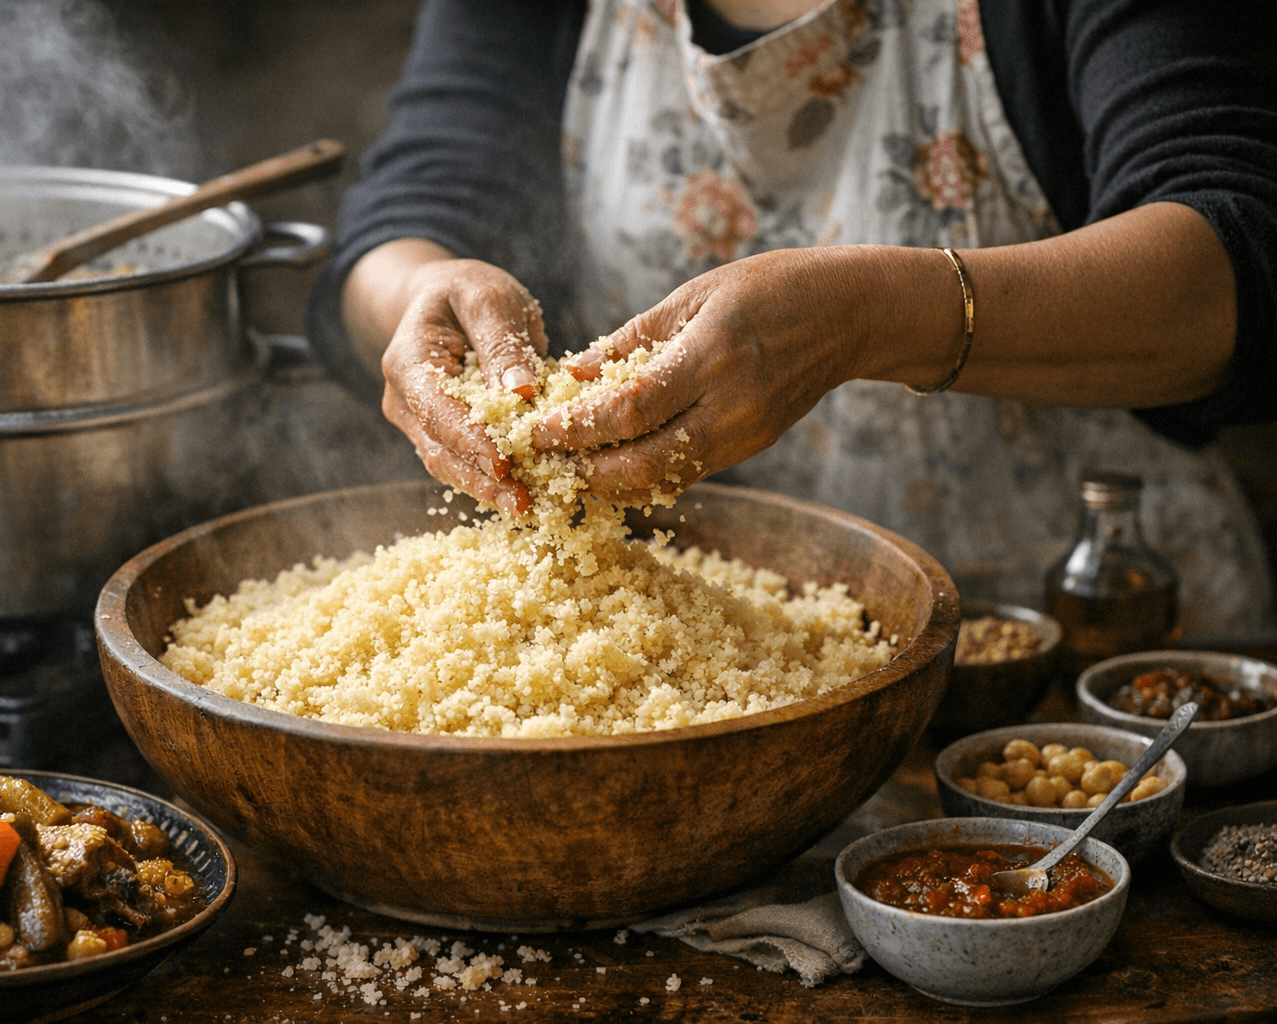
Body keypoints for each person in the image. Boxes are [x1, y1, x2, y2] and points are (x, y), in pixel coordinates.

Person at [306, 0, 1277, 637]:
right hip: (703, 654)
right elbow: (417, 200)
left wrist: (868, 318)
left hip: (1085, 645)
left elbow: (1237, 253)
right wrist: (417, 296)